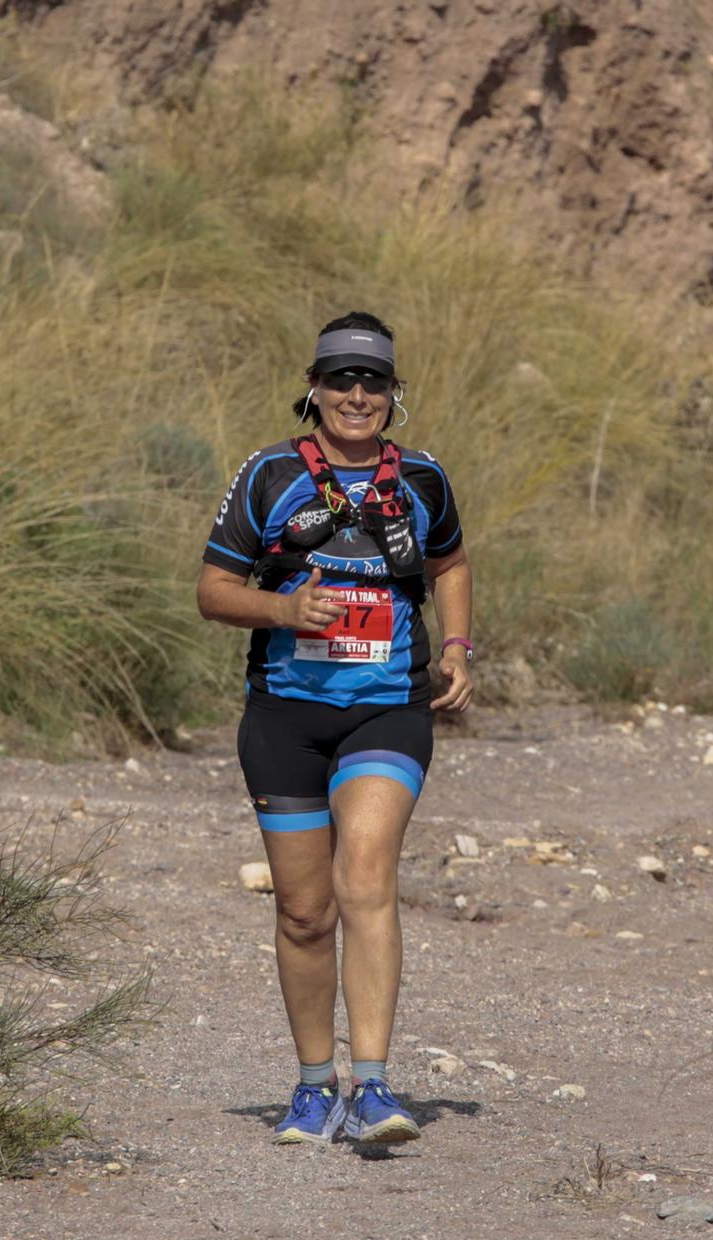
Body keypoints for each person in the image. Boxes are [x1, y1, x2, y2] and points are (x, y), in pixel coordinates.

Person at [197, 312, 474, 1146]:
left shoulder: (423, 480)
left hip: (388, 709)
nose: (358, 396)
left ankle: (377, 1086)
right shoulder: (270, 473)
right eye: (342, 380)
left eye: (375, 382)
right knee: (305, 912)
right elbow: (213, 590)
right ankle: (316, 1088)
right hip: (283, 717)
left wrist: (456, 646)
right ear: (313, 388)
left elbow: (450, 562)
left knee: (365, 875)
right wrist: (284, 607)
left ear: (395, 395)